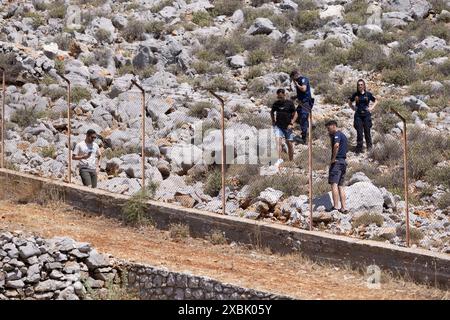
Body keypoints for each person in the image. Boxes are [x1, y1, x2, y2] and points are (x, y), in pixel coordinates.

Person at [348, 79, 378, 153]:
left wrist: (371, 108)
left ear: (364, 85)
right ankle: (359, 149)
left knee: (367, 132)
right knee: (359, 133)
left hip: (366, 116)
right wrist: (353, 108)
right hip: (358, 116)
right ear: (357, 86)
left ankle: (370, 149)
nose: (360, 86)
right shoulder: (355, 95)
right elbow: (349, 101)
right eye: (358, 85)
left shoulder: (368, 94)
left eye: (361, 84)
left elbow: (376, 101)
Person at [325, 120, 348, 214]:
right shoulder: (343, 135)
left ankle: (335, 207)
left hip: (337, 162)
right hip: (343, 162)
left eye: (329, 128)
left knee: (334, 184)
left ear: (334, 126)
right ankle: (344, 208)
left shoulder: (337, 135)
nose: (328, 131)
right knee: (340, 186)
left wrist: (333, 159)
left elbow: (336, 145)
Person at [271, 88, 297, 167]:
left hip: (288, 127)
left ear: (284, 95)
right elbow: (272, 112)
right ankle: (279, 159)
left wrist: (291, 123)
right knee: (278, 142)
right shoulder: (276, 104)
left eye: (281, 97)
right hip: (278, 126)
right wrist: (273, 121)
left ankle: (291, 161)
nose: (280, 99)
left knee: (289, 144)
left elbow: (296, 114)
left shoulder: (290, 103)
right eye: (279, 97)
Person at [290, 69, 314, 144]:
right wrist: (295, 97)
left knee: (303, 118)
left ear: (295, 75)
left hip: (306, 103)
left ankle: (304, 138)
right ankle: (289, 127)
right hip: (301, 103)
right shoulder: (298, 81)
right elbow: (302, 93)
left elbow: (304, 89)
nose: (293, 80)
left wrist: (296, 84)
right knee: (295, 114)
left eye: (293, 78)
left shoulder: (303, 79)